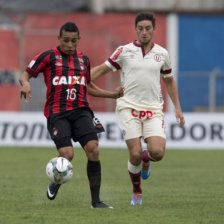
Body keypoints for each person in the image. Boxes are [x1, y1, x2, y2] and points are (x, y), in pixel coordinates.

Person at [19, 22, 124, 209]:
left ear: (79, 40)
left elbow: (88, 86)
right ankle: (56, 182)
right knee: (67, 155)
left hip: (81, 110)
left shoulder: (84, 59)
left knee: (93, 149)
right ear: (59, 39)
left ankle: (96, 202)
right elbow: (25, 74)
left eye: (73, 41)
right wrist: (25, 84)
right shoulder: (48, 56)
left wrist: (112, 94)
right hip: (57, 113)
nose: (69, 44)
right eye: (66, 40)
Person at [91, 11, 185, 205]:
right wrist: (79, 79)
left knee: (157, 153)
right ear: (135, 30)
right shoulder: (123, 51)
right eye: (140, 28)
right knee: (133, 153)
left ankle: (146, 159)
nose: (144, 32)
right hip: (128, 107)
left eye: (148, 28)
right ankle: (136, 189)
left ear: (154, 30)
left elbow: (169, 81)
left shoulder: (162, 54)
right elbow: (102, 69)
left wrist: (177, 108)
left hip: (153, 109)